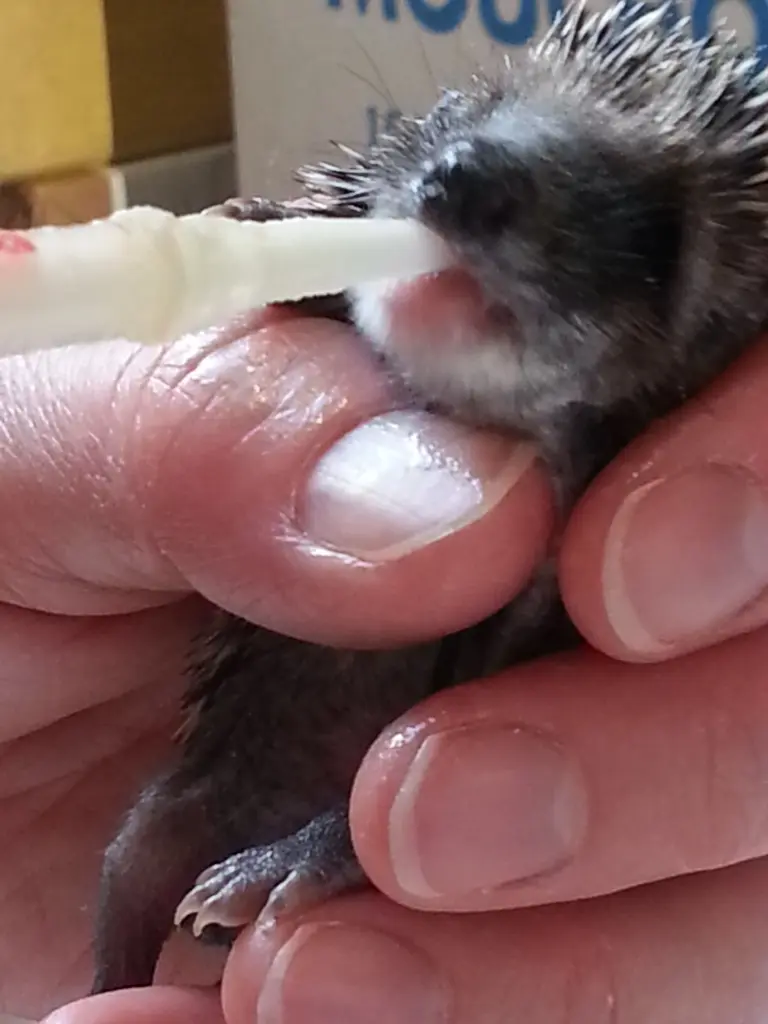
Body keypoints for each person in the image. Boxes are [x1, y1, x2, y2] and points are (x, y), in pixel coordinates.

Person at [1, 305, 767, 1024]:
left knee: (422, 798)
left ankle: (325, 854)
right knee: (156, 849)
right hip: (265, 730)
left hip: (405, 756)